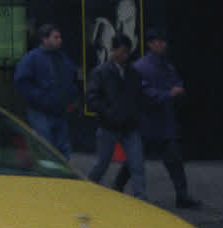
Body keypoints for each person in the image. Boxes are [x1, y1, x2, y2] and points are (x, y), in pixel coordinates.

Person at [121, 28, 201, 208]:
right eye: (158, 41)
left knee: (172, 160)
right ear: (150, 44)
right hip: (148, 122)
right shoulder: (141, 67)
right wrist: (169, 94)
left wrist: (174, 91)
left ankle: (182, 195)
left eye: (163, 41)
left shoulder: (163, 66)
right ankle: (117, 188)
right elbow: (143, 93)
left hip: (161, 123)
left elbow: (170, 85)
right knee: (134, 161)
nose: (162, 45)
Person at [84, 32, 148, 198]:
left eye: (127, 51)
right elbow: (91, 98)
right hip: (109, 125)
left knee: (137, 164)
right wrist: (108, 112)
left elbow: (138, 95)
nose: (125, 55)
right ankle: (85, 189)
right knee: (102, 164)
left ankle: (141, 197)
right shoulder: (101, 72)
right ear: (113, 50)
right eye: (122, 51)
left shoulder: (132, 72)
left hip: (128, 125)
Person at [13, 23, 82, 157]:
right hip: (40, 112)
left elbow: (73, 77)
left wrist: (71, 96)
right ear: (45, 39)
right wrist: (39, 98)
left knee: (63, 148)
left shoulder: (62, 58)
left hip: (59, 111)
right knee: (45, 148)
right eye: (56, 37)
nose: (59, 40)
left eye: (59, 37)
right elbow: (21, 83)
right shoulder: (32, 58)